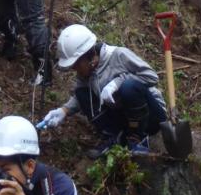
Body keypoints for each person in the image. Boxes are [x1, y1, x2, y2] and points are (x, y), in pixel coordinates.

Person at [39, 25, 167, 159]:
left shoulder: (118, 55)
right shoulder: (86, 72)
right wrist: (63, 111)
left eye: (76, 64)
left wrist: (117, 83)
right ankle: (116, 138)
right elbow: (81, 96)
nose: (75, 69)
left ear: (88, 54)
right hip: (123, 116)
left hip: (150, 116)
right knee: (82, 93)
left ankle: (137, 139)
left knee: (129, 88)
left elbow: (151, 76)